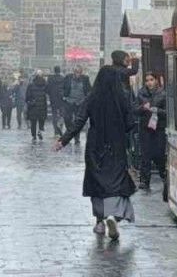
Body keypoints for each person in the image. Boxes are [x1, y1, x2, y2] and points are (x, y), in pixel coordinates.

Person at [54, 66, 138, 240]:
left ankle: (100, 221)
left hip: (95, 146)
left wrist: (63, 140)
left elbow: (79, 121)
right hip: (116, 146)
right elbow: (130, 123)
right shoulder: (121, 98)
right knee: (116, 182)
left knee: (97, 182)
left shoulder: (92, 98)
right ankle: (114, 215)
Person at [136, 73, 168, 192]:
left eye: (151, 80)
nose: (149, 82)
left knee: (159, 154)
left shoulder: (163, 94)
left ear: (156, 80)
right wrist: (142, 108)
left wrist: (158, 110)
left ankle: (164, 176)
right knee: (145, 155)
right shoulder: (141, 93)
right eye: (147, 80)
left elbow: (168, 112)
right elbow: (134, 110)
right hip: (145, 128)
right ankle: (145, 181)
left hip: (159, 128)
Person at [63, 66, 92, 146]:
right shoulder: (68, 77)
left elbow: (89, 90)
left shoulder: (85, 79)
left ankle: (77, 138)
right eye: (76, 72)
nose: (77, 74)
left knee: (77, 121)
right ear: (74, 72)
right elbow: (63, 87)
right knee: (67, 118)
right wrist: (63, 96)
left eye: (79, 72)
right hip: (69, 102)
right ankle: (69, 134)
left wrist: (86, 99)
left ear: (81, 73)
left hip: (80, 103)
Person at [26, 74, 50, 141]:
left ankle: (34, 136)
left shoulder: (31, 85)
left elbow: (27, 96)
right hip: (42, 106)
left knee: (33, 122)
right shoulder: (45, 85)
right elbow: (48, 93)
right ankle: (40, 131)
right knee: (41, 120)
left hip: (33, 106)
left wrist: (29, 101)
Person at [46, 66, 67, 137]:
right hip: (61, 100)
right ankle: (60, 129)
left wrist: (50, 94)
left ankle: (56, 131)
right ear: (59, 70)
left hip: (53, 99)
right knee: (62, 115)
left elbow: (47, 89)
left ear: (54, 71)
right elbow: (65, 88)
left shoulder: (50, 78)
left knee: (54, 115)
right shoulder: (63, 78)